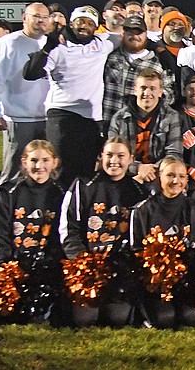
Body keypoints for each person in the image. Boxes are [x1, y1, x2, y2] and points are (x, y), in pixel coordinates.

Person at [23, 5, 123, 187]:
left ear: (96, 27)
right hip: (62, 114)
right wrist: (48, 46)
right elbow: (30, 73)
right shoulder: (57, 47)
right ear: (71, 23)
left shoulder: (102, 42)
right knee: (61, 169)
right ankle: (57, 210)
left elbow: (133, 37)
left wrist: (161, 51)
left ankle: (80, 212)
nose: (84, 26)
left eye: (90, 23)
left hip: (91, 118)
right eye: (80, 22)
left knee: (87, 170)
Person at [60, 138, 148, 327]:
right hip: (88, 266)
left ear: (131, 159)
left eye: (120, 156)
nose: (114, 161)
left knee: (118, 318)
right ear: (101, 157)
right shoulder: (82, 185)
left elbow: (140, 235)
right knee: (84, 319)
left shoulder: (139, 191)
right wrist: (82, 261)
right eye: (109, 155)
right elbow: (68, 229)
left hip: (119, 268)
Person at [0, 140, 66, 323]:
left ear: (55, 162)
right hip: (14, 264)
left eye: (45, 160)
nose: (39, 166)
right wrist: (6, 264)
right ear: (24, 162)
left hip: (48, 265)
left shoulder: (62, 192)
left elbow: (63, 233)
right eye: (34, 160)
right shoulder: (7, 192)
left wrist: (51, 260)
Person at [129, 157, 195, 328]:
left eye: (181, 176)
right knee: (164, 318)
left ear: (187, 180)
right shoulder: (142, 210)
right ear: (160, 177)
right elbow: (135, 251)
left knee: (192, 316)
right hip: (153, 285)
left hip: (185, 282)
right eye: (170, 175)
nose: (176, 181)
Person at [0, 3, 51, 185]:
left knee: (47, 170)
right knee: (14, 170)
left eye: (44, 17)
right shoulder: (9, 43)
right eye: (36, 16)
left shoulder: (52, 42)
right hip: (19, 118)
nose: (40, 21)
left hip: (49, 118)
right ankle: (5, 208)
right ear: (24, 18)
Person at [108, 68, 183, 182]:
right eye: (143, 88)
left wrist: (150, 171)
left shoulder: (171, 116)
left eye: (152, 88)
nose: (147, 93)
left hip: (159, 177)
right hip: (126, 176)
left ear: (160, 91)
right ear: (135, 90)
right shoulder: (118, 118)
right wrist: (138, 168)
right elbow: (113, 156)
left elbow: (174, 154)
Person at [103, 16, 170, 127]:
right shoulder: (110, 57)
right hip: (109, 124)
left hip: (142, 128)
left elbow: (169, 92)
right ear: (123, 33)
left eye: (138, 33)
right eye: (130, 32)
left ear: (146, 35)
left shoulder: (158, 62)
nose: (134, 36)